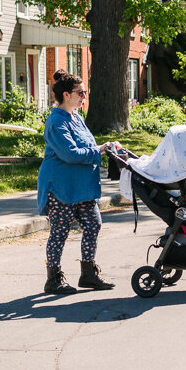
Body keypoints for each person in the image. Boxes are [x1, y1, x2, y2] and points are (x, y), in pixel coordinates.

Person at [38, 69, 121, 294]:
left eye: (85, 92)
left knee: (93, 224)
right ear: (66, 95)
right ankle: (53, 279)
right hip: (62, 186)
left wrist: (106, 147)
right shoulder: (56, 121)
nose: (84, 96)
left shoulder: (77, 118)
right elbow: (70, 153)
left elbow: (86, 147)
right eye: (80, 92)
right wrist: (99, 150)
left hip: (83, 186)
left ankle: (88, 274)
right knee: (60, 231)